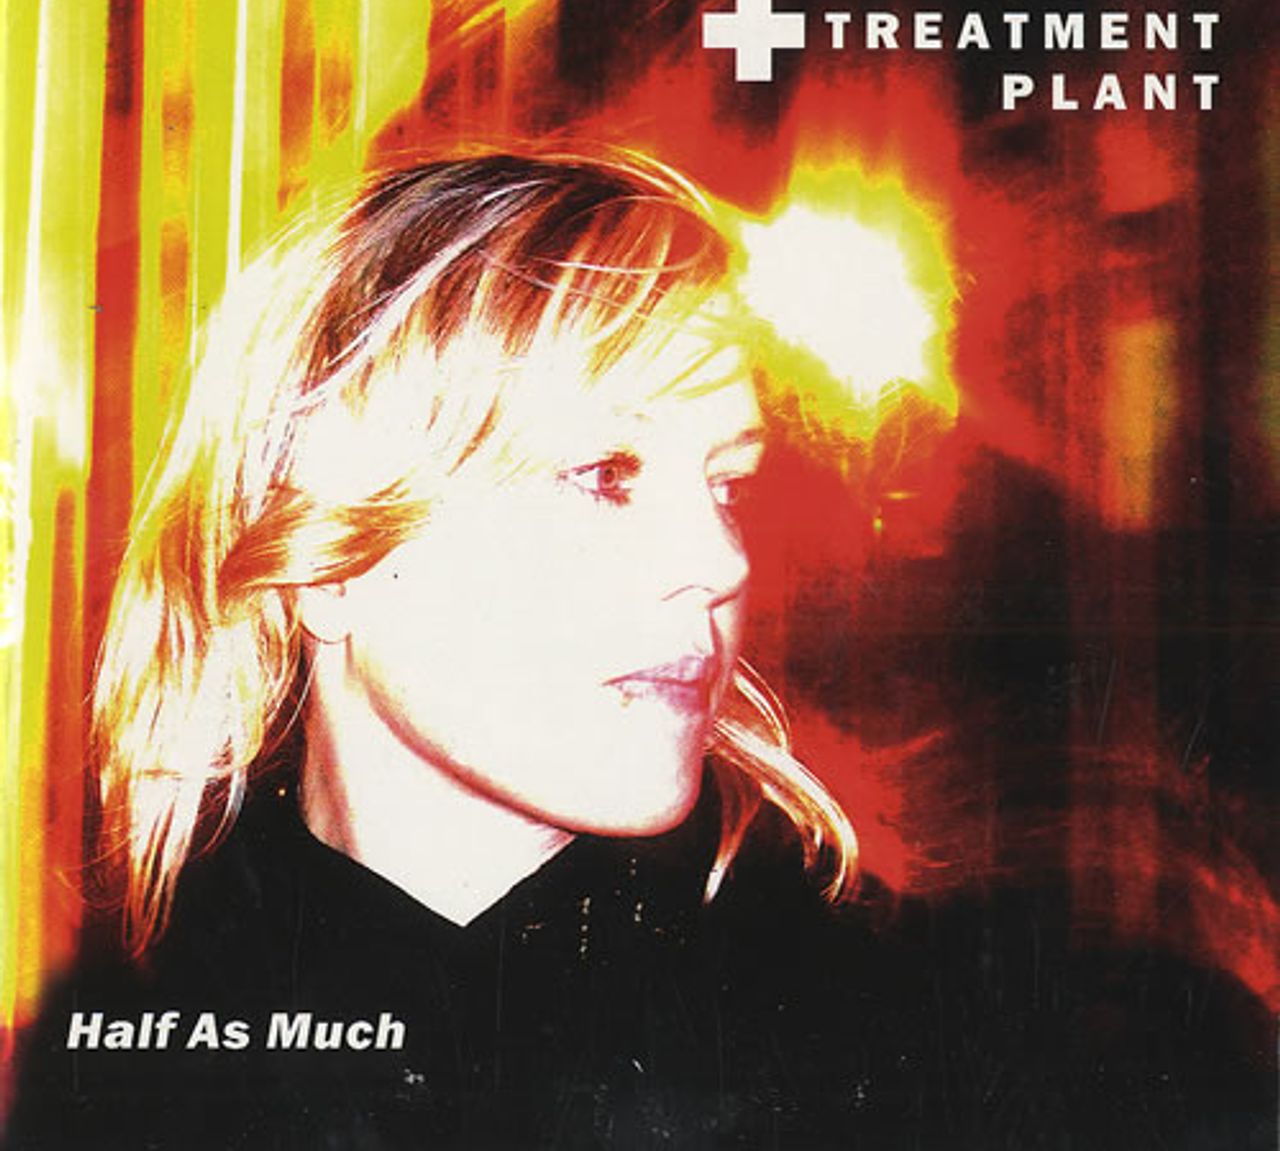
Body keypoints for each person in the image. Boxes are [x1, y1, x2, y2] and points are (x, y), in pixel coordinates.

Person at [9, 151, 1274, 1151]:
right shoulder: (127, 1055)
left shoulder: (936, 1053)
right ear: (329, 558)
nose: (719, 559)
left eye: (727, 482)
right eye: (602, 472)